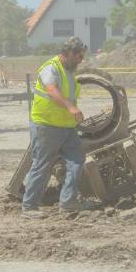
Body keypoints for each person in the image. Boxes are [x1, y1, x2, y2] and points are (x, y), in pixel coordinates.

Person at [21, 37, 89, 219]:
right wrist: (71, 108)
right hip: (46, 125)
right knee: (42, 165)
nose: (81, 60)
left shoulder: (69, 72)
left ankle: (68, 203)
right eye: (79, 56)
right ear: (70, 53)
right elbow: (52, 91)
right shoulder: (51, 68)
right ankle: (29, 207)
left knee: (77, 160)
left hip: (67, 127)